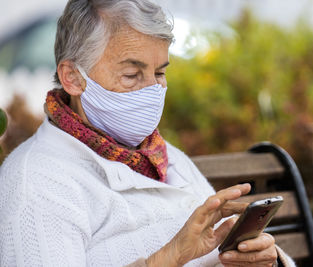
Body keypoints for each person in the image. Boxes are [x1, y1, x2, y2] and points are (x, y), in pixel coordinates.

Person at [0, 1, 296, 266]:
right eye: (132, 75)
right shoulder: (38, 182)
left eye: (159, 73)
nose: (152, 91)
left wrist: (268, 261)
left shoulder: (163, 156)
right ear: (73, 78)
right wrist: (167, 259)